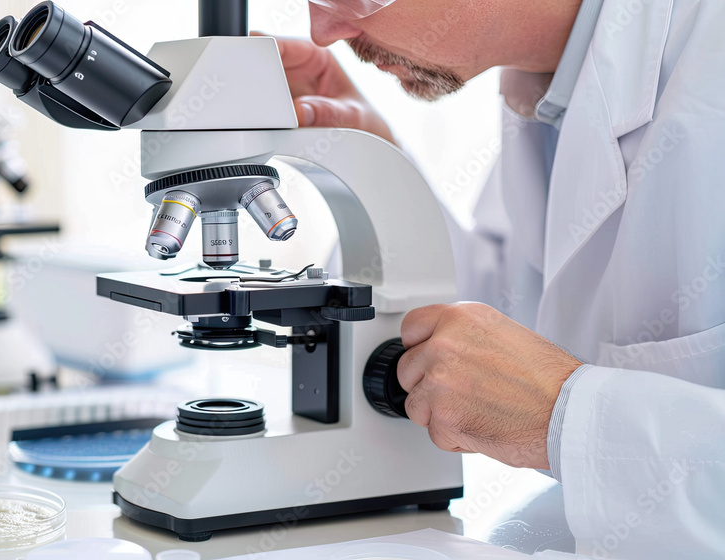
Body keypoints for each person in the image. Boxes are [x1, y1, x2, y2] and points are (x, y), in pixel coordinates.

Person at [269, 0, 725, 557]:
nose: (323, 30)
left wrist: (562, 417)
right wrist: (378, 175)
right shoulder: (551, 84)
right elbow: (514, 314)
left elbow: (540, 382)